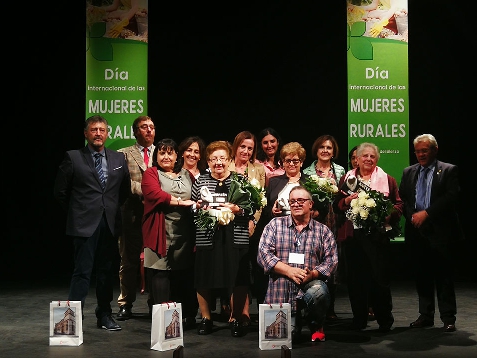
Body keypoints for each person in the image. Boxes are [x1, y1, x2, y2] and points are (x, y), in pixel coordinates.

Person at [53, 115, 131, 331]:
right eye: (94, 129)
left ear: (107, 134)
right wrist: (79, 211)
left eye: (102, 130)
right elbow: (60, 192)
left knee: (106, 272)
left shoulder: (118, 159)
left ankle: (104, 315)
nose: (98, 133)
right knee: (82, 272)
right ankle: (72, 320)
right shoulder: (73, 157)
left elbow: (123, 191)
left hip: (110, 223)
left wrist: (110, 209)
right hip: (84, 224)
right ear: (86, 133)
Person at [334, 142, 403, 332]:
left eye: (372, 156)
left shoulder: (387, 180)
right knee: (356, 281)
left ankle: (384, 321)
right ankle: (359, 319)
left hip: (377, 238)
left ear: (377, 159)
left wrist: (388, 214)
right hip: (352, 237)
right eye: (365, 156)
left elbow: (398, 204)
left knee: (379, 280)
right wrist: (346, 201)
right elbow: (336, 204)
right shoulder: (347, 179)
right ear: (357, 159)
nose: (369, 159)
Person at [399, 134, 464, 333]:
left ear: (434, 150)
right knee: (422, 275)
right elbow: (404, 198)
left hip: (441, 232)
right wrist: (413, 216)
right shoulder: (409, 172)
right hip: (417, 232)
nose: (420, 154)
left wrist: (426, 214)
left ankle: (448, 318)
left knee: (443, 276)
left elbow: (451, 197)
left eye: (424, 150)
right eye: (417, 151)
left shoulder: (448, 170)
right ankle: (425, 316)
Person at [257, 185, 338, 342]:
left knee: (318, 292)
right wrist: (288, 271)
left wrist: (313, 274)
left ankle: (316, 324)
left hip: (310, 284)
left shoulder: (323, 231)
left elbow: (332, 260)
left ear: (311, 204)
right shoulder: (275, 225)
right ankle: (295, 323)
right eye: (292, 201)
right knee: (283, 338)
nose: (296, 204)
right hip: (281, 288)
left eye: (301, 200)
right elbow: (263, 254)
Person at [191, 141, 252, 337]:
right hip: (208, 236)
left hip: (235, 236)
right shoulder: (200, 181)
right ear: (208, 162)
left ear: (229, 161)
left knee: (238, 278)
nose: (218, 162)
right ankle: (206, 319)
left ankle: (235, 319)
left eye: (222, 158)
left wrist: (237, 209)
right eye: (214, 159)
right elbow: (193, 208)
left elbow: (251, 208)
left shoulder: (240, 180)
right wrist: (202, 211)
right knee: (204, 278)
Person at [141, 138, 198, 328]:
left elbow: (197, 196)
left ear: (176, 156)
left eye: (170, 153)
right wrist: (181, 202)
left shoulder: (187, 174)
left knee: (182, 277)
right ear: (156, 156)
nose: (166, 156)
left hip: (184, 233)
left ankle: (180, 321)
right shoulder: (151, 173)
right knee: (160, 275)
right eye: (162, 153)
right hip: (159, 231)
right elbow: (154, 195)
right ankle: (161, 322)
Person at [114, 115, 155, 321]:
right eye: (144, 127)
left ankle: (155, 303)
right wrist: (150, 193)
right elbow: (125, 182)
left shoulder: (163, 153)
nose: (149, 130)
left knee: (156, 261)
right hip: (131, 214)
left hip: (156, 215)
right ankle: (125, 303)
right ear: (135, 131)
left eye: (151, 127)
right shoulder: (123, 154)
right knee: (128, 261)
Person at [303, 135, 345, 321]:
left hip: (335, 222)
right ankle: (312, 305)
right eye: (322, 147)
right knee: (314, 263)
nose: (325, 150)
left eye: (329, 147)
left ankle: (330, 307)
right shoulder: (308, 172)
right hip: (316, 222)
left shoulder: (341, 171)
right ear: (316, 150)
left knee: (332, 265)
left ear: (333, 151)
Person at [228, 131, 266, 324]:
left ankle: (244, 308)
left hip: (250, 225)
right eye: (243, 146)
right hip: (227, 222)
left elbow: (260, 201)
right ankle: (233, 308)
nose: (246, 151)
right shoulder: (226, 165)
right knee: (231, 266)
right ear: (235, 146)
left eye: (250, 148)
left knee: (246, 267)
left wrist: (253, 221)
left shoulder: (258, 169)